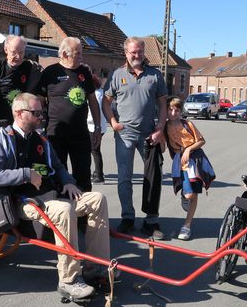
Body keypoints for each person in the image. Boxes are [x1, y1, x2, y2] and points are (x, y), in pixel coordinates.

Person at [0, 93, 110, 301]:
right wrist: (25, 174)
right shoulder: (4, 139)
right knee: (64, 209)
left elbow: (58, 167)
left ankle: (95, 267)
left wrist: (68, 181)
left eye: (41, 112)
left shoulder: (41, 139)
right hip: (24, 202)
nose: (41, 116)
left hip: (51, 196)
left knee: (97, 198)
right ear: (18, 113)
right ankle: (69, 280)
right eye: (35, 113)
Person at [102, 37, 167, 239]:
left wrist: (160, 128)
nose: (136, 56)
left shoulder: (155, 76)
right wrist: (113, 122)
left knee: (153, 177)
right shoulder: (116, 75)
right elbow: (106, 102)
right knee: (124, 178)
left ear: (143, 52)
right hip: (125, 134)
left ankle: (151, 221)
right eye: (133, 52)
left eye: (139, 52)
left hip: (149, 135)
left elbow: (163, 105)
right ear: (126, 53)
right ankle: (128, 218)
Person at [36, 37, 101, 192]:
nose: (81, 58)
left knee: (83, 175)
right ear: (64, 54)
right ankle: (64, 211)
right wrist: (37, 128)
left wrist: (97, 126)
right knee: (59, 175)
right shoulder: (50, 72)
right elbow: (39, 102)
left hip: (80, 134)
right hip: (55, 134)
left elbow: (92, 101)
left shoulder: (84, 71)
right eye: (77, 54)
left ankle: (83, 214)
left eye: (81, 54)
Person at [163, 96, 215, 241]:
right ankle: (185, 194)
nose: (173, 113)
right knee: (188, 194)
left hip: (194, 160)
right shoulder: (165, 126)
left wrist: (188, 150)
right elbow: (163, 147)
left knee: (192, 194)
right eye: (170, 109)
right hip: (180, 162)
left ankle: (187, 226)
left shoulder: (187, 124)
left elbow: (201, 140)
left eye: (176, 110)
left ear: (181, 111)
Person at [0, 34, 42, 123]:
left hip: (19, 123)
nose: (18, 56)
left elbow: (40, 97)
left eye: (21, 52)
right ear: (6, 49)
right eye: (14, 52)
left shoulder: (32, 69)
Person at [87, 72, 107, 184]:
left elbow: (94, 111)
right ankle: (97, 172)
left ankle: (99, 175)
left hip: (93, 126)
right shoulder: (100, 92)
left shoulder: (96, 94)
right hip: (98, 126)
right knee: (95, 150)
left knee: (95, 150)